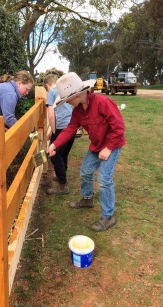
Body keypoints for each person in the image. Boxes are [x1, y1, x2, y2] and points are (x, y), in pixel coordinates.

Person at [47, 72, 126, 232]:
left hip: (112, 144)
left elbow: (119, 127)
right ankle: (87, 199)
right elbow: (70, 130)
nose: (67, 103)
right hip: (97, 145)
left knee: (104, 179)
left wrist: (109, 148)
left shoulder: (103, 102)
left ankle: (108, 216)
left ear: (76, 96)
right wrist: (54, 145)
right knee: (85, 171)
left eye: (67, 100)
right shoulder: (77, 111)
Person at [43, 74, 75, 195]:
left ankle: (63, 186)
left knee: (56, 156)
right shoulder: (63, 90)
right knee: (63, 153)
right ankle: (62, 176)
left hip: (61, 127)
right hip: (71, 127)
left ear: (47, 85)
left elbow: (51, 114)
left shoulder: (51, 92)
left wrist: (54, 130)